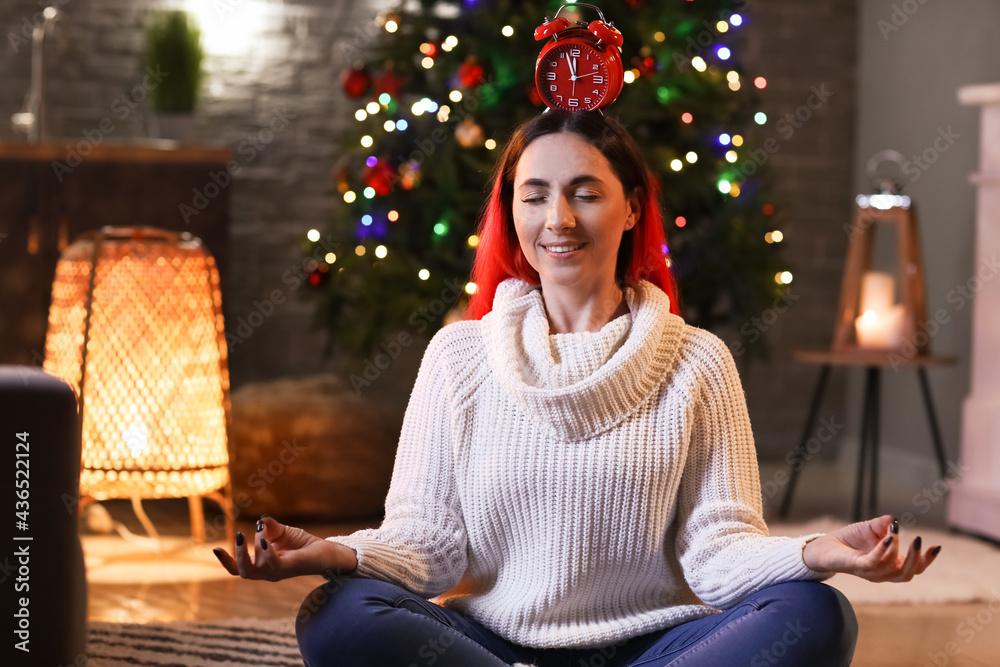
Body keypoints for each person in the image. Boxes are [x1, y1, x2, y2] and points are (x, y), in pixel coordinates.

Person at [213, 110, 941, 666]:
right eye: (535, 197)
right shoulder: (459, 356)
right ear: (514, 214)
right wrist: (330, 553)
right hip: (492, 647)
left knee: (817, 615)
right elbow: (427, 547)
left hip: (656, 648)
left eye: (584, 194)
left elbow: (719, 553)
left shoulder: (698, 361)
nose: (557, 219)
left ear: (630, 208)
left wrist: (822, 552)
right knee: (338, 613)